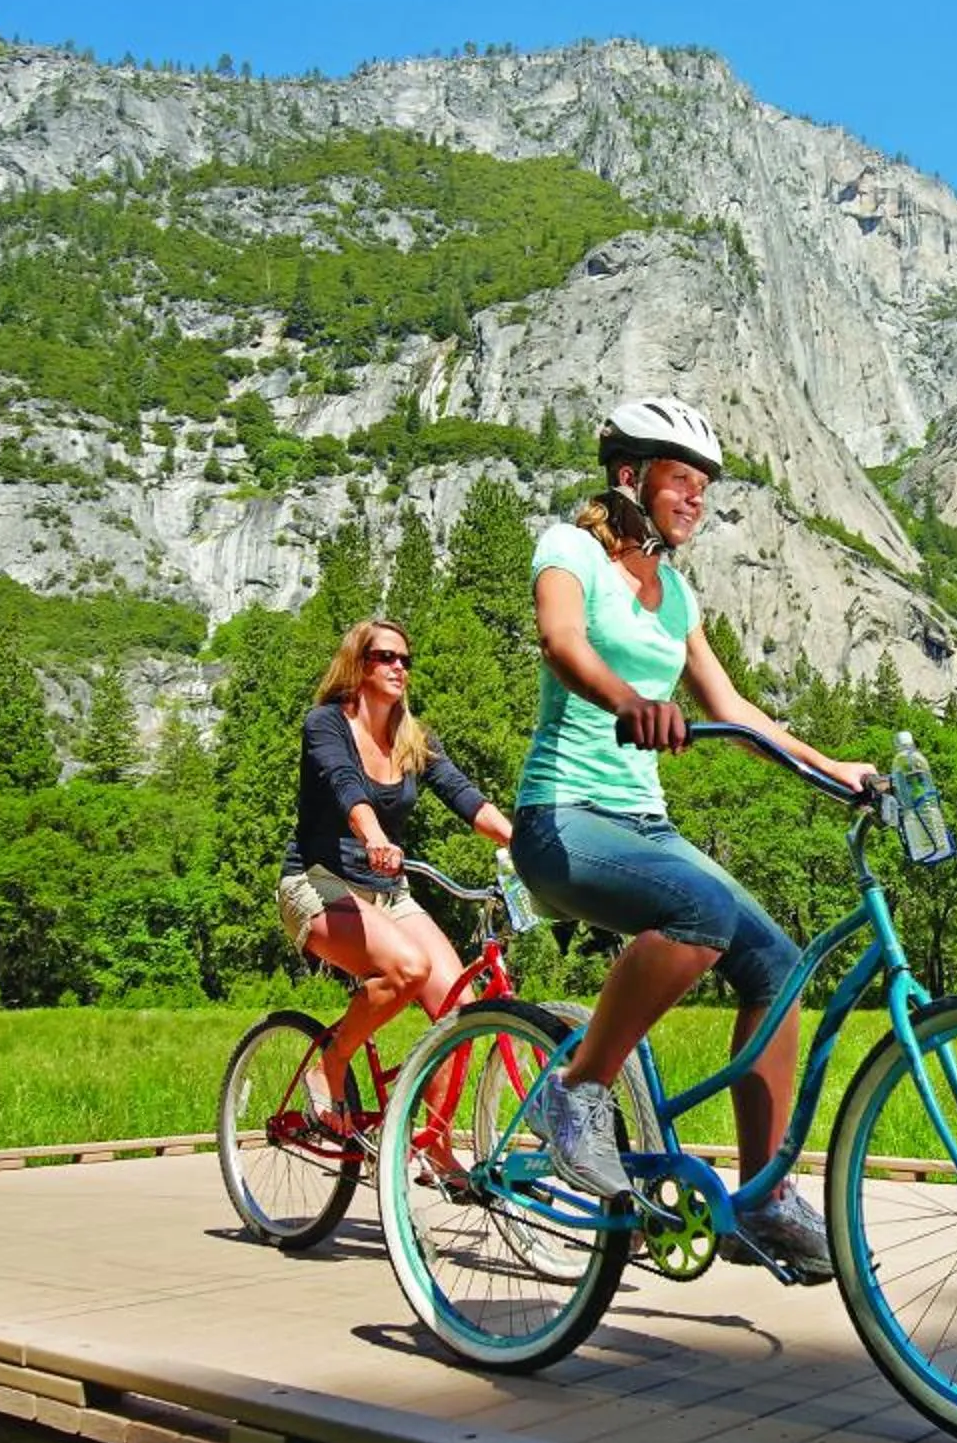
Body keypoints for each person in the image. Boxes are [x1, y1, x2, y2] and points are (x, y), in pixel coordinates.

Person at [509, 397, 874, 1280]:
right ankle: (574, 1088)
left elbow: (733, 710)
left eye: (705, 487)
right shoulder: (571, 551)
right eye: (684, 480)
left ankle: (762, 1200)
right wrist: (627, 701)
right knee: (701, 910)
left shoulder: (676, 595)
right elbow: (561, 643)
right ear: (631, 476)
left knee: (779, 963)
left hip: (644, 826)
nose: (697, 500)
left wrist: (838, 771)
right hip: (562, 821)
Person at [278, 616, 514, 1143]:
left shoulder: (413, 737)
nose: (399, 667)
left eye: (405, 659)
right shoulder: (325, 724)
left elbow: (463, 796)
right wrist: (373, 837)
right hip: (319, 883)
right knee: (407, 968)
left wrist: (520, 843)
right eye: (386, 657)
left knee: (463, 1010)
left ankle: (424, 1146)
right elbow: (345, 786)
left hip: (388, 893)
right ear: (357, 665)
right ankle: (330, 1063)